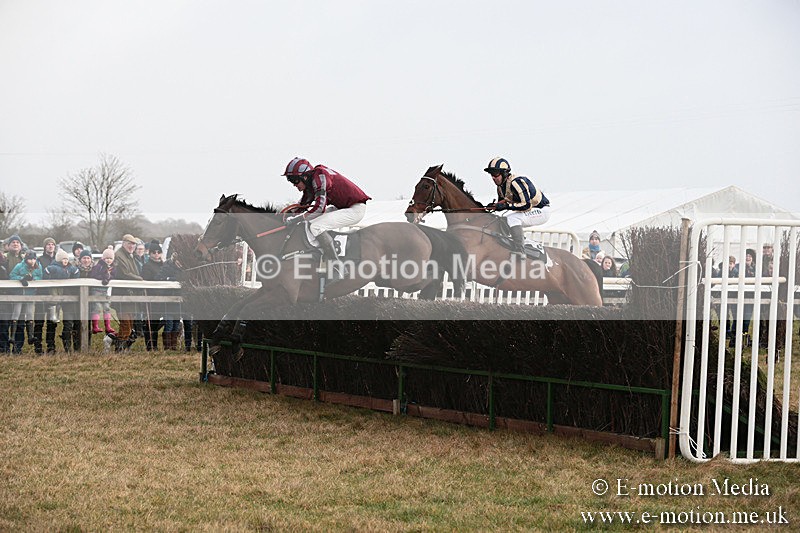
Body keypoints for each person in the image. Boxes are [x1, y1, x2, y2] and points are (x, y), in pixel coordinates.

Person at [282, 157, 371, 263]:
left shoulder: (320, 177)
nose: (294, 184)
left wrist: (296, 219)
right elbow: (302, 206)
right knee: (311, 222)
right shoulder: (311, 182)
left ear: (305, 177)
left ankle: (336, 264)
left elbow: (319, 208)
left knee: (316, 227)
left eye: (295, 180)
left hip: (355, 209)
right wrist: (287, 216)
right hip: (342, 208)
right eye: (290, 181)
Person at [484, 157, 550, 257]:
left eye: (495, 173)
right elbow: (504, 201)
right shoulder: (500, 187)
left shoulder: (516, 182)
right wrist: (494, 206)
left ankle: (520, 250)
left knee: (513, 219)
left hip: (541, 210)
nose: (493, 177)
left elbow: (526, 205)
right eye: (491, 174)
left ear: (504, 173)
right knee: (503, 220)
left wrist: (505, 206)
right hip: (530, 210)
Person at [44, 249, 80, 351]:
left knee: (68, 321)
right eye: (63, 259)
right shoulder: (54, 267)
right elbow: (46, 272)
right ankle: (53, 315)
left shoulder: (69, 268)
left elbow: (76, 272)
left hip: (66, 292)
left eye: (66, 259)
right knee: (54, 301)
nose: (65, 261)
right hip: (55, 288)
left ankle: (68, 346)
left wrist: (73, 276)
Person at [113, 234, 144, 351]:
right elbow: (125, 273)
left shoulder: (130, 256)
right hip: (122, 295)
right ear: (123, 243)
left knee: (129, 325)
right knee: (126, 324)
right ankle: (119, 349)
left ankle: (122, 347)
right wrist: (140, 280)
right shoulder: (119, 255)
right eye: (129, 244)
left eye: (133, 244)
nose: (131, 246)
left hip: (131, 296)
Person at [9, 250, 43, 353]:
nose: (32, 261)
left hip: (31, 293)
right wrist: (21, 278)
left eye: (33, 259)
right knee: (16, 312)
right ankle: (12, 336)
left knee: (30, 313)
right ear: (26, 259)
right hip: (19, 293)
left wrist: (33, 278)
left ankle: (30, 336)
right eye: (29, 259)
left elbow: (40, 277)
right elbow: (12, 275)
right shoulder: (19, 266)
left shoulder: (38, 267)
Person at [141, 240, 165, 350]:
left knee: (160, 321)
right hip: (151, 297)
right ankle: (150, 345)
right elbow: (146, 280)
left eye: (158, 252)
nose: (156, 254)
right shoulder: (147, 266)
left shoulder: (163, 265)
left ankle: (155, 344)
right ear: (150, 254)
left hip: (163, 297)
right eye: (154, 252)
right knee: (151, 322)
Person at [90, 248, 117, 338]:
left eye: (110, 258)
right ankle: (95, 326)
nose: (108, 260)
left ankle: (108, 326)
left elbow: (114, 276)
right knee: (96, 307)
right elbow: (94, 275)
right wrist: (103, 277)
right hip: (96, 290)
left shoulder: (113, 268)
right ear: (103, 258)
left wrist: (109, 278)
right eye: (107, 258)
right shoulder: (99, 266)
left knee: (107, 308)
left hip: (105, 291)